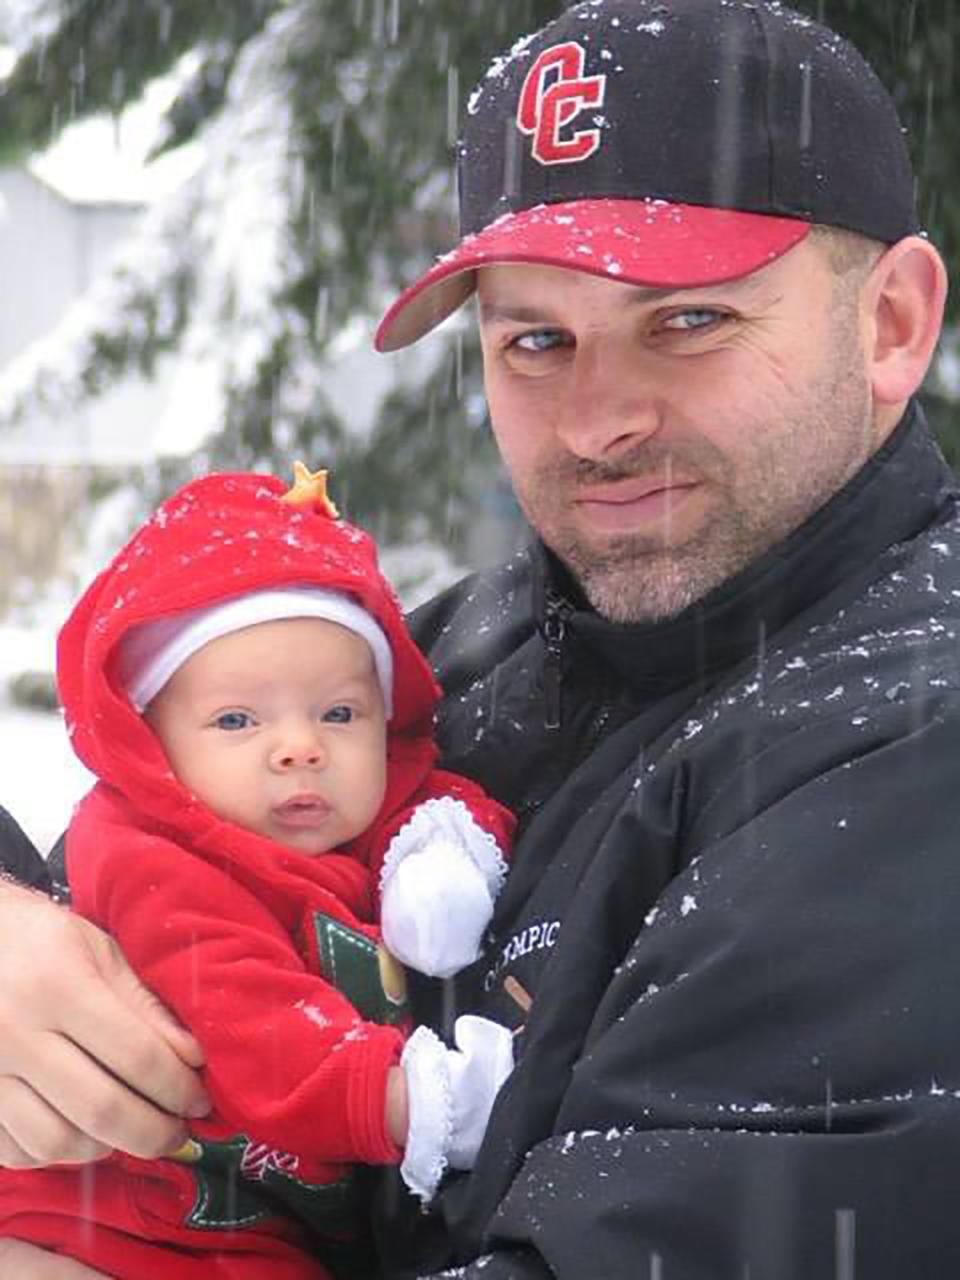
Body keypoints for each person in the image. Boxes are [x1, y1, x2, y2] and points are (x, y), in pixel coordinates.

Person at [0, 0, 957, 1274]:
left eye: (689, 321)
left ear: (891, 321)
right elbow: (147, 853)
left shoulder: (908, 745)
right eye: (537, 341)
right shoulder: (483, 642)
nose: (596, 421)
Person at [0, 466, 514, 1277]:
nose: (300, 747)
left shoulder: (330, 810)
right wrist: (420, 1102)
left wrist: (441, 854)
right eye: (237, 719)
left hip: (255, 1219)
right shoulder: (147, 855)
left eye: (339, 713)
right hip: (109, 1212)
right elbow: (249, 1025)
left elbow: (436, 793)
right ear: (155, 744)